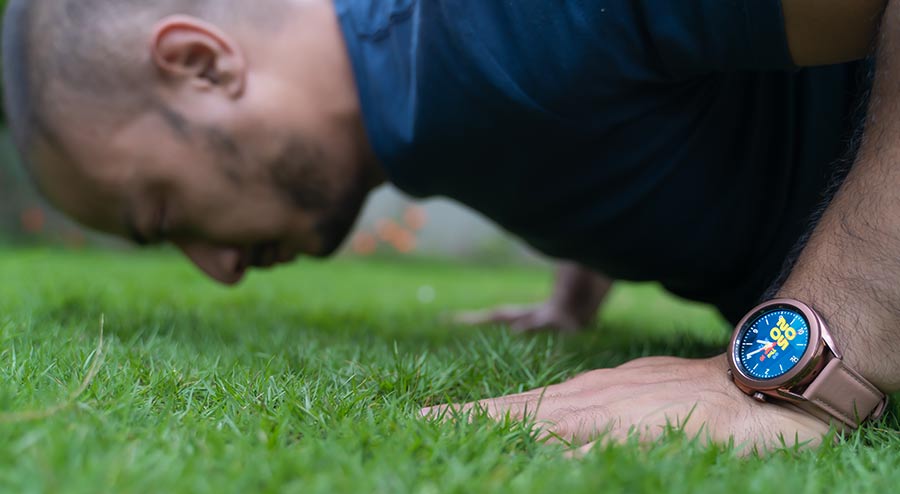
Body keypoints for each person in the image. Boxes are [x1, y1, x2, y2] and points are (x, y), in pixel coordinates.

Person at [3, 0, 897, 451]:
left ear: (201, 64)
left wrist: (826, 358)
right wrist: (577, 289)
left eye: (164, 212)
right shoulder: (426, 96)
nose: (218, 269)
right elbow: (587, 102)